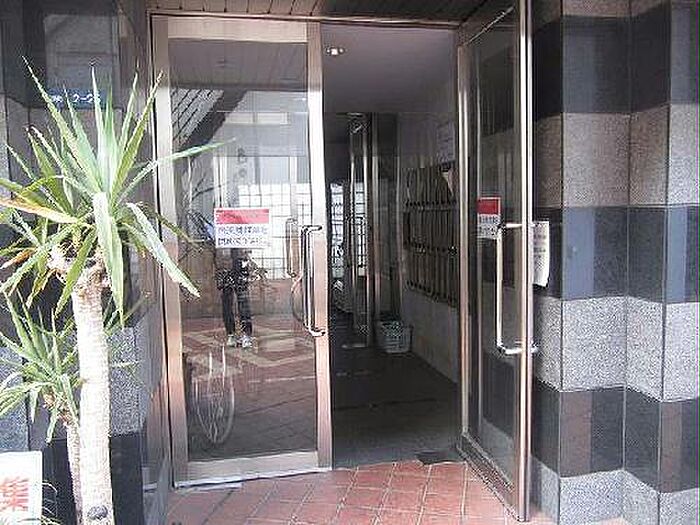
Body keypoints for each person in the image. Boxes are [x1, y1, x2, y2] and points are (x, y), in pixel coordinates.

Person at [216, 248, 254, 348]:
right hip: (223, 262)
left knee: (243, 301)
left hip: (241, 261)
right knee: (227, 303)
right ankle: (230, 334)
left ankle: (246, 335)